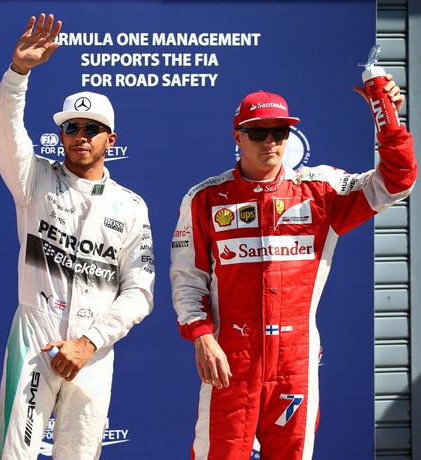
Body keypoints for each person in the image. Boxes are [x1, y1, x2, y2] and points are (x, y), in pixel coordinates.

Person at [170, 82, 416, 459]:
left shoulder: (321, 189)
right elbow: (188, 280)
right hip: (230, 363)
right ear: (237, 135)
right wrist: (202, 336)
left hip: (295, 362)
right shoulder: (205, 197)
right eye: (257, 131)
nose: (269, 141)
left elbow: (397, 180)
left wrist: (386, 113)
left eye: (279, 131)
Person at [0, 13, 155, 460]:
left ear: (110, 138)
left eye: (92, 128)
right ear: (61, 133)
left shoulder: (131, 206)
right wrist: (18, 74)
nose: (80, 135)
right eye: (71, 127)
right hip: (34, 338)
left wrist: (89, 342)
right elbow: (7, 136)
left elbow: (139, 292)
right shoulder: (34, 181)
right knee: (12, 455)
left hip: (94, 352)